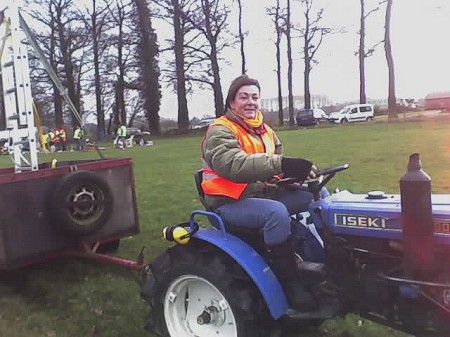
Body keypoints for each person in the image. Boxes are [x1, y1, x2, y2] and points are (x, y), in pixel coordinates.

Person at [201, 75, 323, 312]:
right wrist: (283, 165)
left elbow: (272, 167)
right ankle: (290, 282)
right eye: (243, 97)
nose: (250, 102)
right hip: (230, 201)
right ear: (232, 102)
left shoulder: (264, 130)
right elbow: (233, 164)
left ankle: (329, 258)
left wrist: (290, 180)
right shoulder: (219, 131)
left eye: (254, 97)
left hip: (262, 193)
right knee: (275, 213)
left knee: (316, 192)